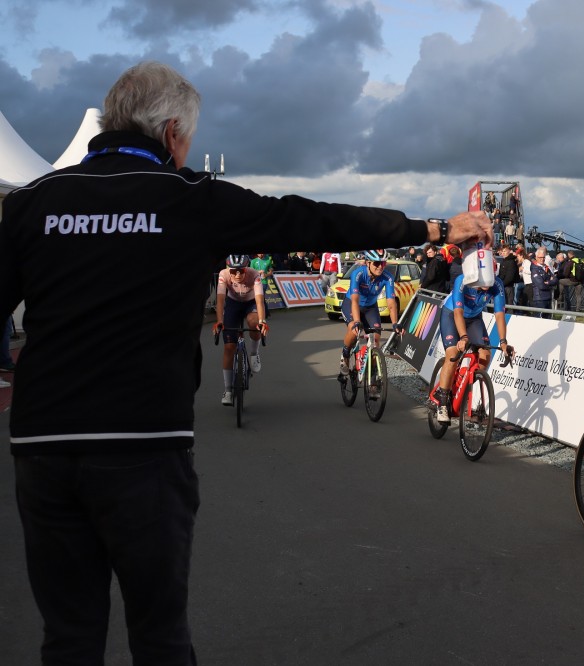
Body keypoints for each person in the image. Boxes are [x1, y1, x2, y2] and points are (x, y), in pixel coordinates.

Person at [0, 61, 491, 665]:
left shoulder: (32, 202)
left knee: (68, 638)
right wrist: (432, 228)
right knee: (158, 635)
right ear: (172, 132)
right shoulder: (190, 199)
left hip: (44, 445)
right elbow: (315, 220)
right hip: (144, 444)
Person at [434, 272, 512, 422]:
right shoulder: (463, 280)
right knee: (453, 354)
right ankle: (442, 400)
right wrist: (464, 337)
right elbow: (458, 312)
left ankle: (459, 384)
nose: (487, 283)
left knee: (485, 356)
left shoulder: (497, 284)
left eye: (490, 279)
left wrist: (503, 342)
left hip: (474, 318)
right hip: (451, 314)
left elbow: (499, 314)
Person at [212, 254, 268, 405]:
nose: (237, 274)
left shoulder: (254, 274)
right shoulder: (223, 274)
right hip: (233, 303)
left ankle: (254, 353)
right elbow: (220, 300)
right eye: (233, 271)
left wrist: (262, 321)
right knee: (229, 347)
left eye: (241, 270)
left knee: (253, 322)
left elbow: (259, 301)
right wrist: (219, 321)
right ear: (228, 269)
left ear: (246, 268)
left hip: (251, 303)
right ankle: (228, 391)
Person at [340, 249, 403, 377]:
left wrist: (395, 323)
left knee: (375, 341)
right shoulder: (358, 274)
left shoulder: (388, 277)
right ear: (368, 263)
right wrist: (357, 321)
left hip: (370, 308)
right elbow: (355, 300)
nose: (380, 267)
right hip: (352, 303)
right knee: (354, 330)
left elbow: (391, 303)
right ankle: (345, 355)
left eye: (383, 263)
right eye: (377, 263)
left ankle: (372, 377)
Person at [530, 247, 559, 317]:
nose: (542, 259)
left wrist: (548, 282)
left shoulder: (546, 267)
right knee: (540, 319)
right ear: (536, 257)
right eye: (540, 257)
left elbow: (556, 280)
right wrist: (551, 283)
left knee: (548, 319)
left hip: (548, 297)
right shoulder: (534, 269)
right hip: (540, 299)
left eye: (543, 257)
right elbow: (541, 285)